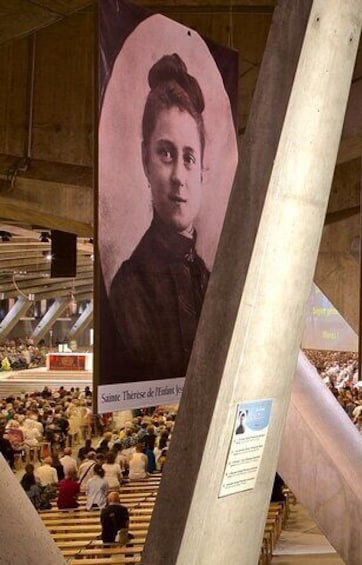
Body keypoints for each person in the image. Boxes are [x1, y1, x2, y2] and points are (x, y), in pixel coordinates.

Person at [108, 53, 212, 381]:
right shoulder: (128, 289)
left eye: (189, 157)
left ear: (201, 170)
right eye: (166, 153)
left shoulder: (208, 279)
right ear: (145, 160)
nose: (179, 176)